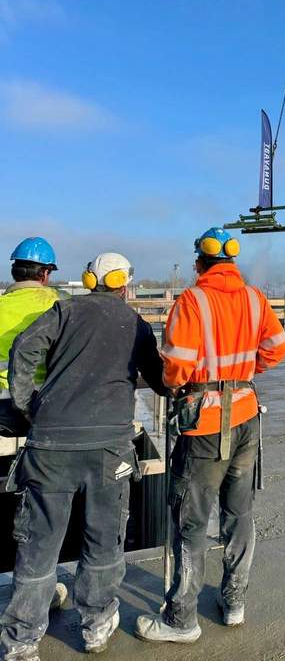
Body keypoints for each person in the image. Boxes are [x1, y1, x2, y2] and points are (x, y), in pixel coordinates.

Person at [1, 252, 168, 661]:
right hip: (109, 449)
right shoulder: (135, 323)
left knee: (39, 544)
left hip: (51, 446)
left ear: (89, 279)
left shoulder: (65, 311)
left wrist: (26, 403)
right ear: (124, 283)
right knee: (103, 540)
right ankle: (96, 625)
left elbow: (23, 350)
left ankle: (21, 639)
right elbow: (161, 379)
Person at [135, 227, 285, 645]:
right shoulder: (255, 298)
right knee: (239, 514)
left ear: (199, 263)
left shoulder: (193, 300)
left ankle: (181, 619)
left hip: (205, 425)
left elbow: (175, 367)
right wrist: (244, 373)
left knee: (191, 520)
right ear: (232, 262)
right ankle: (234, 602)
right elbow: (277, 347)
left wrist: (178, 385)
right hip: (246, 414)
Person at [0, 238, 62, 437]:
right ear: (45, 273)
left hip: (3, 409)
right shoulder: (60, 305)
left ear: (14, 271)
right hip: (46, 406)